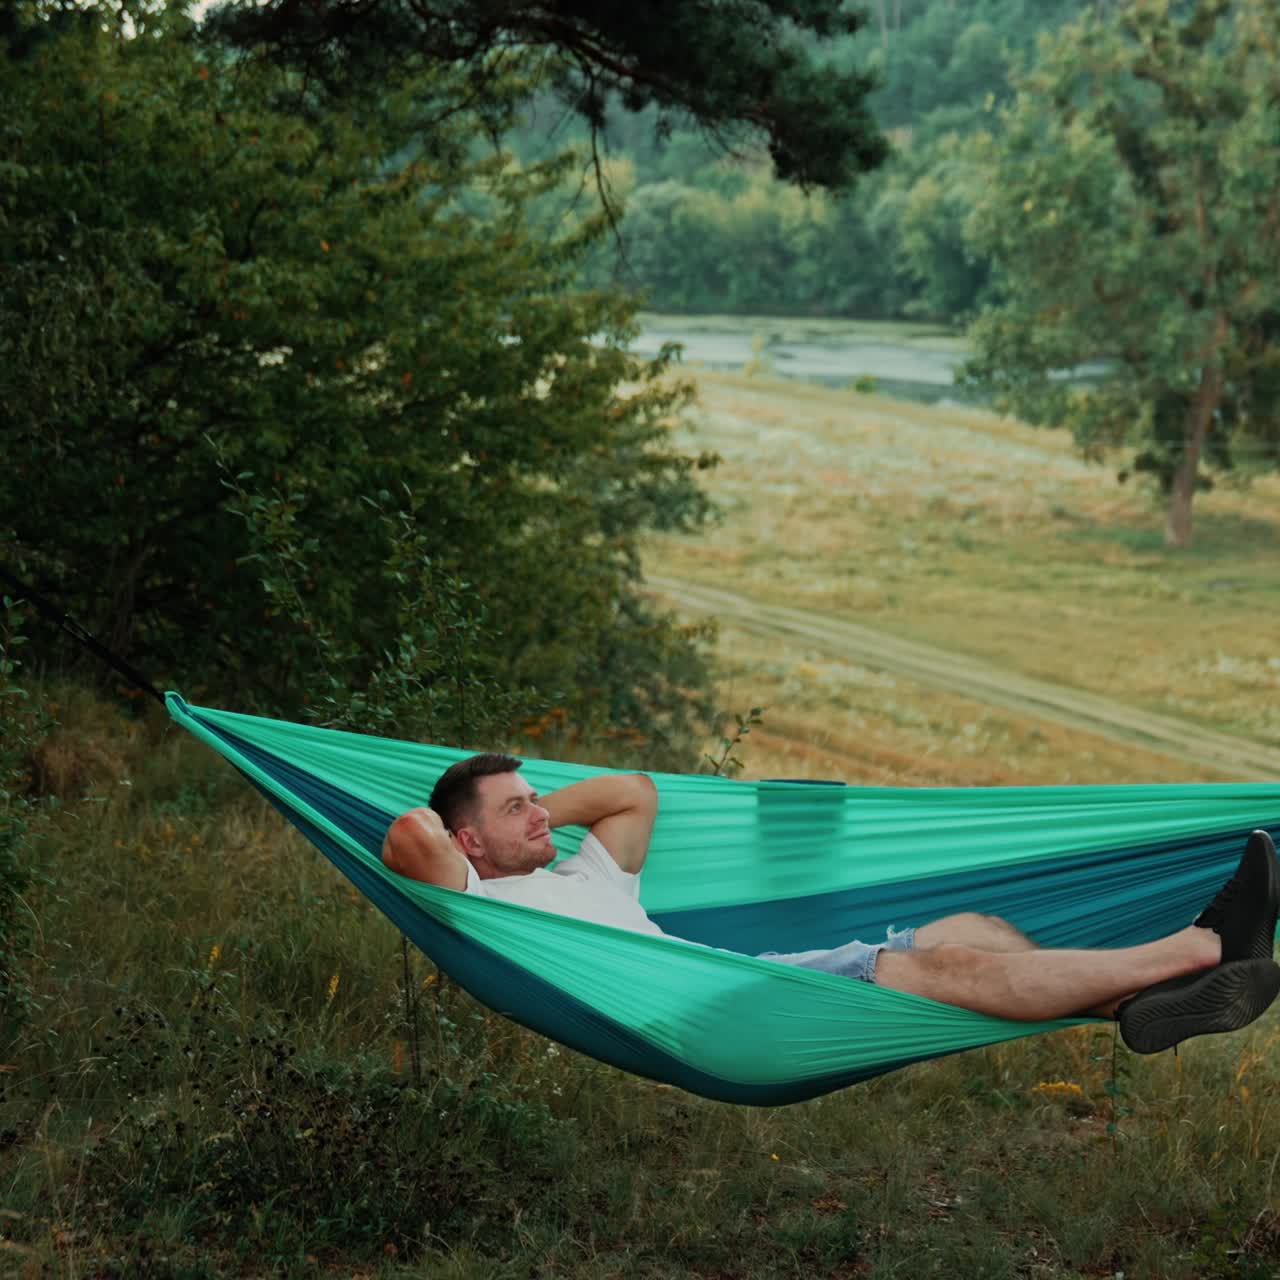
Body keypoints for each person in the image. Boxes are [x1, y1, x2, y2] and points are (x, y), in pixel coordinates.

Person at [382, 753, 1280, 1054]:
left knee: (972, 929)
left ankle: (1138, 1006)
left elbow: (634, 792)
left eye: (538, 801)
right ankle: (1201, 946)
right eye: (517, 810)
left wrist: (529, 811)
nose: (543, 814)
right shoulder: (482, 901)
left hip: (739, 979)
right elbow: (409, 833)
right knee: (946, 967)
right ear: (469, 843)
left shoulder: (582, 879)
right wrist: (481, 846)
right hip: (712, 1009)